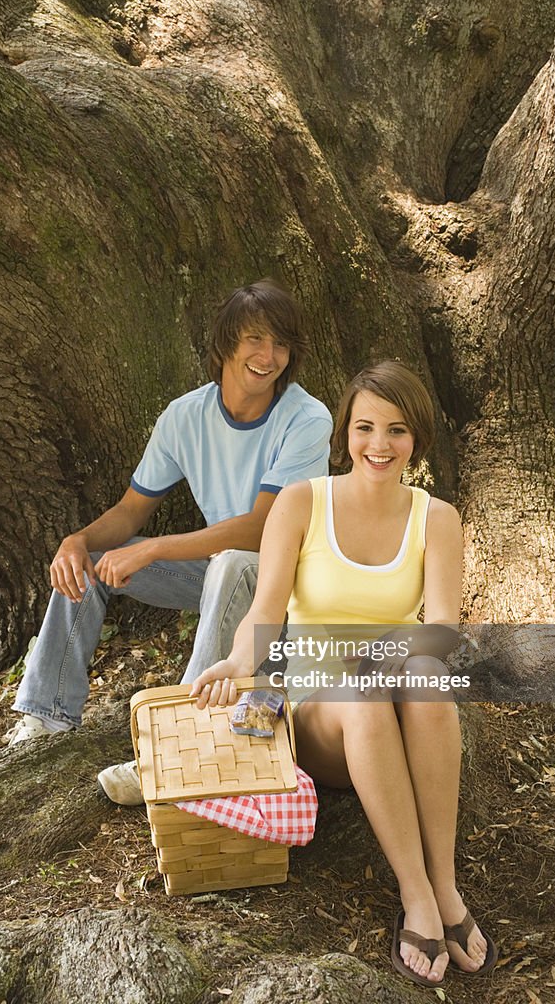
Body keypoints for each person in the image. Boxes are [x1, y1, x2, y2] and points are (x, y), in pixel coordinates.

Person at [190, 361, 498, 987]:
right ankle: (416, 896)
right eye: (365, 428)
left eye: (396, 430)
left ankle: (445, 886)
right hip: (321, 711)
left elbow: (440, 628)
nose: (379, 445)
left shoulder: (436, 518)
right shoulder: (304, 503)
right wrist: (236, 663)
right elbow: (266, 608)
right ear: (345, 435)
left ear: (418, 439)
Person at [6, 279, 333, 798]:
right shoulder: (185, 417)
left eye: (281, 345)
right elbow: (132, 509)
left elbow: (265, 528)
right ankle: (45, 716)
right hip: (214, 573)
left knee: (230, 563)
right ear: (225, 342)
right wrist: (77, 540)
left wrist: (154, 546)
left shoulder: (307, 418)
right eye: (255, 340)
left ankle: (178, 742)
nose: (268, 356)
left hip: (286, 586)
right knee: (91, 563)